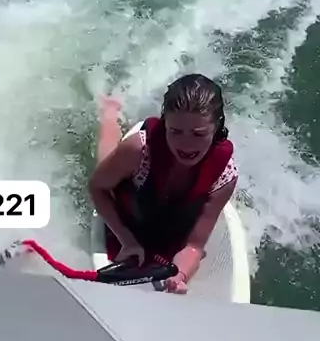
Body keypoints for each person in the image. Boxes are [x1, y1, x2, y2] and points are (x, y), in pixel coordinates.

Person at [88, 73, 238, 294]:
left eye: (198, 134)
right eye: (175, 132)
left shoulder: (225, 175)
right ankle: (110, 112)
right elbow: (97, 187)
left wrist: (179, 275)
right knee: (105, 164)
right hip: (131, 198)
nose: (186, 145)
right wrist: (126, 238)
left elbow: (194, 245)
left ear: (216, 127)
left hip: (168, 223)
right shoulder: (140, 150)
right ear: (164, 123)